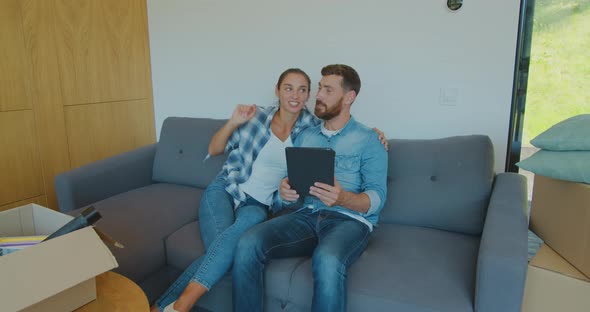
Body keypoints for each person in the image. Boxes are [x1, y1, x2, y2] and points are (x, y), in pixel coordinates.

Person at [152, 68, 318, 312]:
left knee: (225, 249)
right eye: (288, 88)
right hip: (225, 189)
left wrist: (375, 135)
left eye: (302, 89)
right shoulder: (256, 117)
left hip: (258, 205)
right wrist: (233, 122)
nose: (295, 95)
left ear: (307, 96)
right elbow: (215, 148)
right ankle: (181, 305)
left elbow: (342, 133)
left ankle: (162, 307)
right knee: (226, 249)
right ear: (277, 91)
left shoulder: (313, 129)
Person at [232, 64, 388, 312]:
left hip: (349, 221)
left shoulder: (370, 140)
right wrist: (286, 193)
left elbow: (377, 198)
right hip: (305, 216)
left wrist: (343, 198)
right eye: (319, 89)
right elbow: (291, 193)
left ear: (349, 98)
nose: (317, 96)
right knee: (248, 242)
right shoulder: (306, 136)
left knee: (327, 259)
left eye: (327, 90)